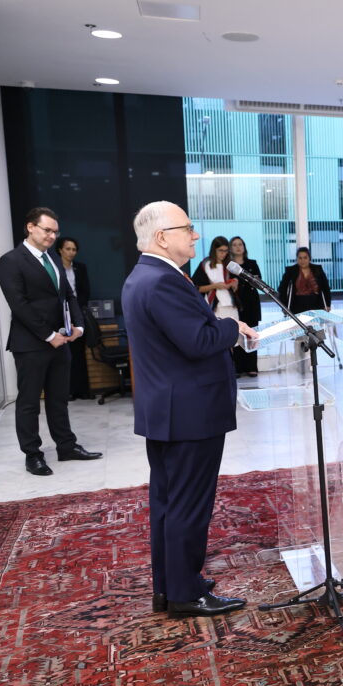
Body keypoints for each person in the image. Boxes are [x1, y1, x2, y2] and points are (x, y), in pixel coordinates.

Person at [122, 200, 255, 618]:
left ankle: (173, 582)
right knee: (188, 505)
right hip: (188, 413)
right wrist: (233, 328)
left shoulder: (145, 275)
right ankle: (184, 594)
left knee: (168, 502)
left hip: (168, 409)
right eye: (188, 228)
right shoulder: (162, 281)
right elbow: (197, 341)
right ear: (163, 237)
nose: (195, 235)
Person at [0, 207, 101, 476]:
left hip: (61, 340)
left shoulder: (53, 258)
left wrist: (77, 325)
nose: (52, 236)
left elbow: (69, 295)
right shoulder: (11, 261)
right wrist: (48, 335)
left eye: (55, 231)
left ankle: (66, 446)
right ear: (30, 227)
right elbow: (19, 305)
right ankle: (33, 455)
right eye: (47, 230)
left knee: (58, 399)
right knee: (29, 402)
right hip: (31, 344)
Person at [56, 236, 91, 399]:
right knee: (65, 354)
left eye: (74, 249)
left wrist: (77, 309)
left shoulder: (80, 268)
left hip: (78, 314)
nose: (71, 252)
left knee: (79, 354)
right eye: (68, 249)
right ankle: (68, 391)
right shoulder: (55, 268)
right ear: (60, 250)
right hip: (61, 315)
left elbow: (85, 291)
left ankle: (83, 390)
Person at [228, 236, 262, 377]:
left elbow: (258, 281)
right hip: (235, 303)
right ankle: (238, 367)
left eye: (240, 244)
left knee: (252, 334)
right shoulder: (228, 266)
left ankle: (251, 367)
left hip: (251, 303)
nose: (238, 247)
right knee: (237, 334)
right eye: (235, 245)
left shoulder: (251, 263)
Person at [192, 237, 239, 326]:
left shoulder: (229, 264)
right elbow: (196, 288)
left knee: (236, 334)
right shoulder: (205, 264)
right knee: (219, 335)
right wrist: (215, 286)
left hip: (232, 306)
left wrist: (235, 282)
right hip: (215, 307)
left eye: (226, 251)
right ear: (214, 250)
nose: (223, 254)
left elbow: (236, 281)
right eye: (220, 250)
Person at [277, 247, 331, 315]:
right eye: (300, 258)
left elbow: (326, 288)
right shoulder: (291, 271)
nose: (302, 261)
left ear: (309, 258)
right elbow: (282, 290)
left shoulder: (318, 269)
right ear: (297, 259)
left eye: (305, 258)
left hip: (316, 305)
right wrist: (284, 306)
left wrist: (328, 304)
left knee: (315, 324)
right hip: (296, 306)